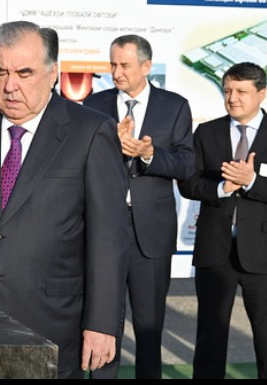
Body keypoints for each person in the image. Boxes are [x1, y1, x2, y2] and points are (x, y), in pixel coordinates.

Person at [0, 21, 130, 379]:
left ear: (52, 74)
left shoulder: (90, 131)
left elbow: (108, 237)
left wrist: (102, 323)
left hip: (51, 323)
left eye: (24, 72)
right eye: (1, 72)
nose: (10, 86)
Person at [83, 34, 194, 379]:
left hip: (152, 235)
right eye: (112, 64)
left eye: (124, 65)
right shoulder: (93, 105)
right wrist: (109, 146)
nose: (115, 72)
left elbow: (186, 166)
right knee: (102, 324)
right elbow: (80, 163)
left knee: (148, 329)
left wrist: (149, 154)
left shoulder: (174, 106)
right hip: (103, 231)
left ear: (146, 67)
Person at [178, 62, 267, 379]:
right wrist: (222, 187)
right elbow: (188, 183)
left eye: (241, 91)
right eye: (227, 90)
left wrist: (252, 181)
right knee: (210, 339)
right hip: (215, 251)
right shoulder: (206, 132)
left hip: (262, 253)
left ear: (262, 93)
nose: (232, 98)